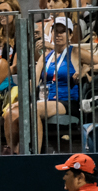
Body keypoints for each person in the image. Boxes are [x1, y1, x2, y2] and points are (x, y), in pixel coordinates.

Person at [6, 16, 82, 154]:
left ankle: (36, 154)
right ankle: (13, 152)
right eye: (56, 31)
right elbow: (34, 81)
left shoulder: (75, 52)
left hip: (67, 101)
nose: (58, 35)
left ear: (70, 34)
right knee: (11, 113)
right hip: (45, 99)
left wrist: (86, 70)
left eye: (63, 31)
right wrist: (20, 101)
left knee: (35, 109)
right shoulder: (45, 57)